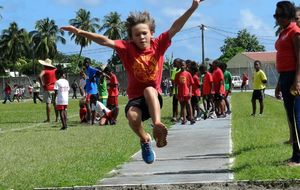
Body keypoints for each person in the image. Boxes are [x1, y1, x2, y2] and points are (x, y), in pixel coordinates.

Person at [61, 0, 203, 164]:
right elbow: (104, 40)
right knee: (132, 117)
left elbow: (176, 27)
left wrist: (192, 8)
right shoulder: (126, 48)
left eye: (144, 33)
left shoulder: (159, 44)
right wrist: (79, 31)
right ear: (131, 37)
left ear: (151, 33)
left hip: (153, 98)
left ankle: (157, 124)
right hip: (135, 98)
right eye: (137, 35)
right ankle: (145, 140)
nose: (141, 37)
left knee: (149, 89)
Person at [274, 1, 300, 166]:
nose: (278, 18)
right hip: (284, 76)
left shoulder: (295, 32)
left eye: (281, 15)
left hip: (293, 77)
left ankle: (299, 158)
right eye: (276, 15)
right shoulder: (283, 32)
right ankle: (295, 155)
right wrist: (278, 84)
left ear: (289, 15)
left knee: (297, 118)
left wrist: (297, 81)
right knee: (291, 117)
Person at [174, 60, 195, 125]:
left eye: (183, 65)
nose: (182, 66)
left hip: (187, 92)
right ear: (179, 66)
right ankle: (184, 119)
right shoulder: (177, 74)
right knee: (182, 106)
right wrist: (176, 93)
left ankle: (191, 118)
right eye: (181, 65)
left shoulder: (188, 74)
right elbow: (175, 85)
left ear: (185, 66)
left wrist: (190, 92)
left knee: (188, 104)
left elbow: (191, 84)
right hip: (180, 93)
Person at [38, 58, 58, 123]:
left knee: (48, 103)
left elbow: (39, 76)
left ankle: (48, 119)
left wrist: (42, 84)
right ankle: (57, 118)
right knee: (55, 103)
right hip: (55, 88)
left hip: (48, 88)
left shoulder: (45, 70)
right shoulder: (55, 70)